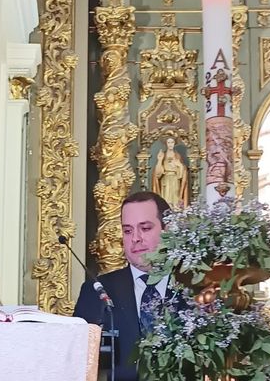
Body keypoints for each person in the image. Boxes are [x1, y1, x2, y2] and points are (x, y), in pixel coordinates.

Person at [73, 191, 171, 381]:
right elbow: (79, 362)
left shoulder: (195, 289)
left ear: (167, 229)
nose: (135, 238)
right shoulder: (96, 290)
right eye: (128, 230)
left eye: (145, 228)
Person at [151, 137, 188, 209]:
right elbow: (158, 173)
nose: (170, 144)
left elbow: (182, 173)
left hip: (175, 179)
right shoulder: (163, 155)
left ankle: (176, 208)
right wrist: (159, 160)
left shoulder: (177, 156)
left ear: (174, 144)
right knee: (166, 196)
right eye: (169, 142)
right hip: (165, 179)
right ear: (166, 144)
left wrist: (179, 166)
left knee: (175, 195)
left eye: (172, 142)